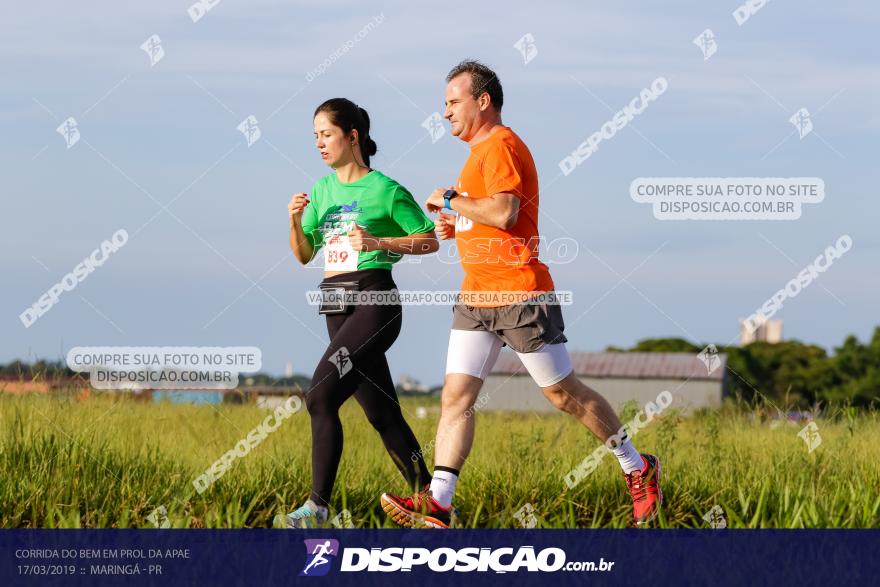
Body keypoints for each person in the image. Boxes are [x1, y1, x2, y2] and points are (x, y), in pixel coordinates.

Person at [379, 61, 663, 528]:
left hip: (519, 293)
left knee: (562, 394)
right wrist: (460, 224)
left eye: (453, 102)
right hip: (476, 296)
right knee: (456, 396)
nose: (445, 112)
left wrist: (450, 200)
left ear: (482, 101)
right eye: (444, 103)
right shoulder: (476, 155)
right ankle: (440, 501)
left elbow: (507, 211)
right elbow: (488, 214)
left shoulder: (501, 145)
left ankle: (638, 466)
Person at [276, 98, 438, 528]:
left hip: (374, 300)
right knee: (382, 414)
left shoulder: (385, 189)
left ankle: (317, 508)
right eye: (315, 136)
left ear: (353, 136)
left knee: (320, 396)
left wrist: (380, 243)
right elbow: (305, 254)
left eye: (326, 134)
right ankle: (431, 501)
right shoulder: (322, 191)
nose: (319, 143)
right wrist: (294, 222)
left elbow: (428, 240)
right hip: (334, 301)